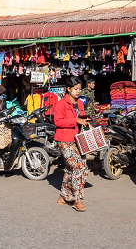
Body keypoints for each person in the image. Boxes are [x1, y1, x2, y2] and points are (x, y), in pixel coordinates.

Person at [54, 76, 89, 212]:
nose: (78, 91)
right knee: (77, 166)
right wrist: (76, 121)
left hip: (78, 140)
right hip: (65, 140)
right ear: (68, 89)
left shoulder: (80, 103)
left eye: (79, 89)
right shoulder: (61, 104)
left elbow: (82, 118)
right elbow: (58, 122)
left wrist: (85, 121)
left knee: (80, 168)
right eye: (75, 89)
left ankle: (63, 197)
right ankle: (76, 198)